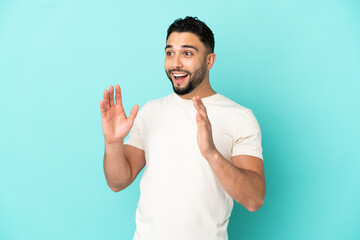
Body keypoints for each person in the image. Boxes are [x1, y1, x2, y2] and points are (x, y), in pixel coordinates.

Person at [100, 16, 266, 240]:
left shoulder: (240, 117)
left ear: (210, 61)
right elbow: (118, 182)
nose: (175, 63)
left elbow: (254, 199)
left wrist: (211, 153)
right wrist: (113, 143)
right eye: (170, 53)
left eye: (187, 53)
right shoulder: (151, 112)